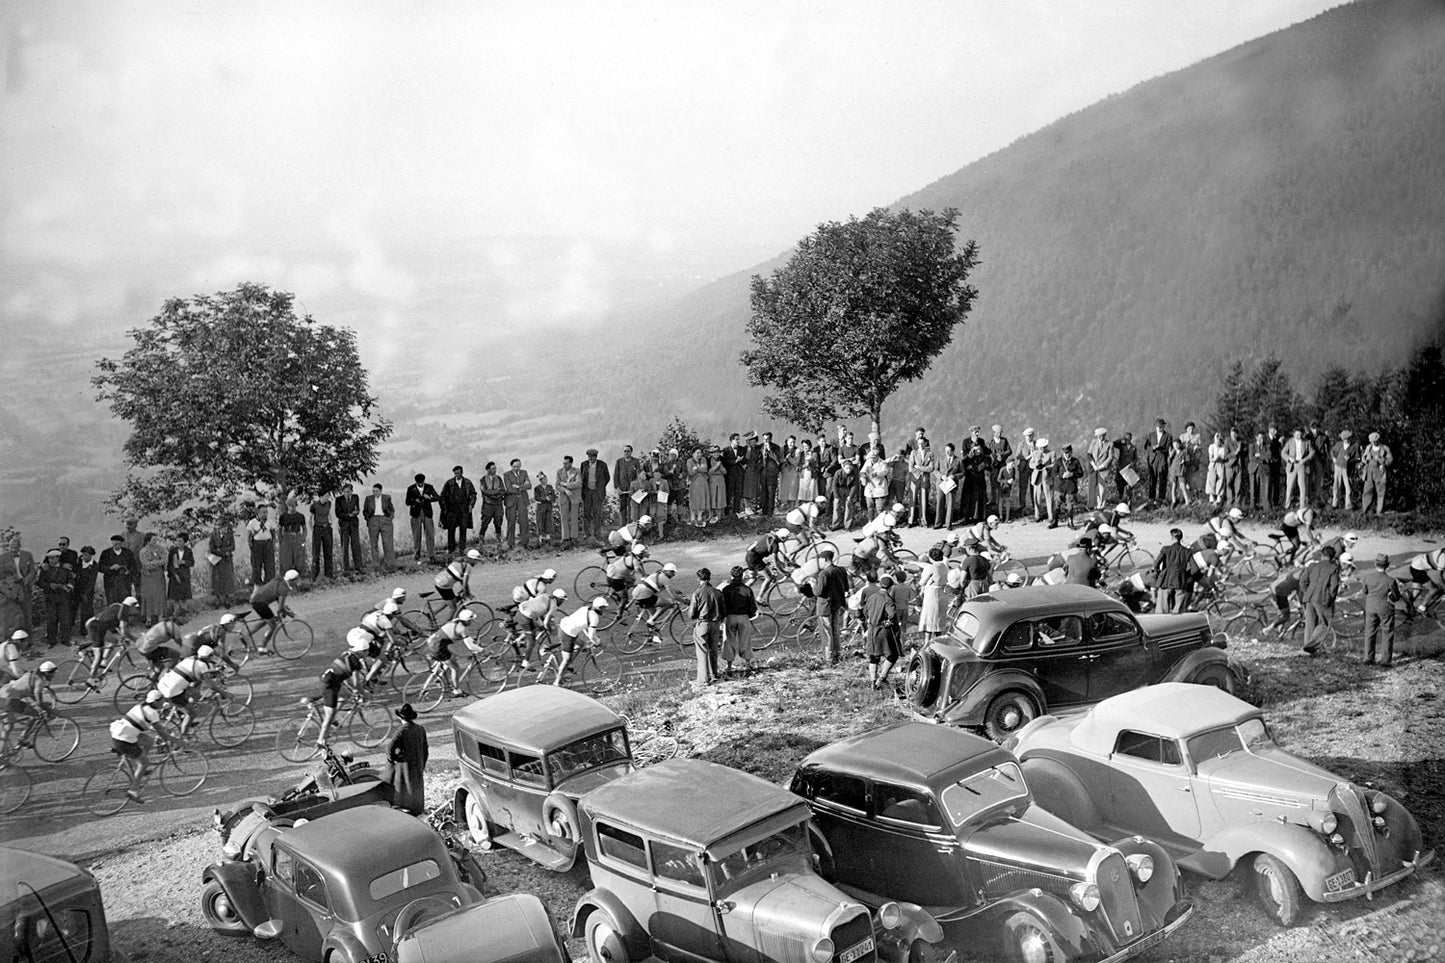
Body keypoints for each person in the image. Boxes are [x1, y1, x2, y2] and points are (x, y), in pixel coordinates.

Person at [108, 689, 169, 804]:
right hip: (124, 740)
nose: (164, 703)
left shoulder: (140, 706)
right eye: (162, 701)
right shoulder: (153, 713)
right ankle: (133, 791)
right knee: (144, 763)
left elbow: (143, 724)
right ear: (155, 702)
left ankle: (138, 768)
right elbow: (161, 733)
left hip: (120, 734)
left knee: (149, 741)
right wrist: (177, 741)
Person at [314, 641, 370, 746]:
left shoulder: (346, 655)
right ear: (362, 651)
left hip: (327, 680)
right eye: (367, 651)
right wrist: (365, 694)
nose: (368, 653)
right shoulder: (356, 663)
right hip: (330, 687)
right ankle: (320, 741)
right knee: (329, 716)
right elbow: (357, 683)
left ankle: (333, 720)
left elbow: (346, 677)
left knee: (345, 696)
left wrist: (353, 690)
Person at [156, 644, 215, 735]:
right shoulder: (202, 665)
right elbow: (210, 684)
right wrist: (225, 693)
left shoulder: (189, 659)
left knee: (194, 693)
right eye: (211, 656)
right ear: (208, 656)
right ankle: (183, 737)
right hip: (171, 692)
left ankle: (182, 716)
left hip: (163, 684)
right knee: (191, 713)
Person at [0, 660, 57, 747]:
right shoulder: (40, 682)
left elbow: (30, 695)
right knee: (36, 715)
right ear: (47, 673)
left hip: (3, 695)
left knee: (9, 727)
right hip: (10, 700)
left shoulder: (31, 674)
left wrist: (40, 706)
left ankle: (3, 751)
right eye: (52, 673)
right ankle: (22, 739)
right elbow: (39, 702)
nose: (54, 675)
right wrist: (51, 711)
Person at [386, 703, 429, 815]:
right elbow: (425, 749)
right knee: (416, 787)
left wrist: (393, 759)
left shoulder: (402, 731)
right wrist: (422, 764)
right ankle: (417, 809)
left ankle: (405, 810)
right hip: (418, 763)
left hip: (405, 766)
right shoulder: (420, 729)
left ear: (400, 717)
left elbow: (389, 748)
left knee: (404, 788)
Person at [1298, 545, 1341, 655]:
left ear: (1322, 555)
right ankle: (1310, 647)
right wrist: (1330, 599)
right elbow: (1334, 587)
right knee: (1325, 623)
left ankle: (1307, 648)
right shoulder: (1334, 568)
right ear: (1333, 557)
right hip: (1323, 598)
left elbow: (1302, 582)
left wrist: (1308, 592)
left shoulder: (1312, 566)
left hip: (1309, 598)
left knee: (1310, 623)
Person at [556, 597, 609, 684]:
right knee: (566, 660)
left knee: (581, 644)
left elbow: (581, 623)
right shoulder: (594, 618)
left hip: (565, 627)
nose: (605, 610)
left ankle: (568, 667)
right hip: (568, 634)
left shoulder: (586, 608)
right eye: (604, 608)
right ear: (600, 608)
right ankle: (557, 682)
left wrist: (590, 637)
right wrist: (599, 643)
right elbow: (592, 636)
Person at [1359, 553, 1399, 667]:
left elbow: (1364, 592)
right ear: (1387, 566)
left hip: (1371, 607)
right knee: (1387, 633)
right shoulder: (1391, 580)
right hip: (1385, 608)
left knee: (1369, 632)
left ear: (1375, 564)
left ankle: (1368, 658)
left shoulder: (1367, 577)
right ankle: (1385, 661)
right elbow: (1396, 597)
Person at [811, 551, 851, 663]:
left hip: (825, 607)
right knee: (835, 631)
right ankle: (838, 654)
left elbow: (818, 592)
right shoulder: (841, 570)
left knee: (826, 633)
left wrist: (813, 584)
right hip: (837, 604)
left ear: (825, 560)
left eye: (820, 559)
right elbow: (846, 588)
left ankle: (829, 658)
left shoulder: (823, 574)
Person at [686, 568, 724, 686]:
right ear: (709, 577)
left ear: (698, 578)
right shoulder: (717, 592)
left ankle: (704, 678)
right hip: (715, 623)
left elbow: (691, 613)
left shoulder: (697, 593)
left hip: (702, 623)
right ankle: (714, 673)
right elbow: (723, 610)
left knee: (702, 651)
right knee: (714, 649)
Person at [424, 609, 473, 699]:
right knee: (455, 668)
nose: (472, 621)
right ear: (467, 620)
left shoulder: (455, 621)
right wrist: (482, 650)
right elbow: (470, 646)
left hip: (433, 642)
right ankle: (457, 691)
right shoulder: (462, 629)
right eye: (471, 620)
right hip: (438, 647)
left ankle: (440, 677)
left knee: (454, 656)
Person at [249, 569, 300, 655]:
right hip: (260, 604)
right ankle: (262, 647)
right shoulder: (284, 588)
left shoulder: (279, 581)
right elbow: (280, 608)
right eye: (296, 580)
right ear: (292, 580)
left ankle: (247, 634)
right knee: (273, 625)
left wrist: (284, 610)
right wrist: (289, 613)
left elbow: (279, 602)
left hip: (255, 600)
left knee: (267, 619)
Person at [720, 566, 757, 677]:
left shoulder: (726, 589)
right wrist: (749, 615)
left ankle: (729, 666)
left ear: (731, 576)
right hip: (744, 617)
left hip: (730, 617)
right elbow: (753, 607)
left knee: (729, 641)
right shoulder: (747, 589)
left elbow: (723, 605)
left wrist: (723, 617)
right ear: (742, 576)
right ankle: (747, 665)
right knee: (745, 641)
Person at [37, 551, 75, 646]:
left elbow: (71, 581)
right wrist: (49, 585)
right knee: (51, 619)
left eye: (53, 558)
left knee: (65, 619)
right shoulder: (45, 569)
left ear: (58, 558)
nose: (50, 560)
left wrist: (65, 587)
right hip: (50, 597)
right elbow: (40, 582)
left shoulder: (65, 568)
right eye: (49, 558)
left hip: (63, 597)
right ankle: (51, 640)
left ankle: (66, 639)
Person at [439, 465, 477, 555]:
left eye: (458, 473)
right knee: (451, 530)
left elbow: (473, 494)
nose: (457, 475)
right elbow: (442, 496)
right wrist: (445, 508)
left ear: (462, 473)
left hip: (464, 510)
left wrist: (471, 505)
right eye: (455, 473)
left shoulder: (467, 482)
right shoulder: (449, 483)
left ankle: (462, 549)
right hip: (452, 510)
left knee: (463, 530)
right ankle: (451, 549)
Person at [1154, 529, 1190, 614]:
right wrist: (1184, 575)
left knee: (1162, 610)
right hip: (1180, 581)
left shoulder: (1165, 549)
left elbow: (1156, 564)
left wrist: (1159, 573)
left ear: (1172, 538)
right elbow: (1193, 567)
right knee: (1178, 610)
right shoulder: (1187, 551)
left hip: (1166, 581)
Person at [405, 473, 440, 561]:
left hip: (427, 513)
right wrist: (415, 500)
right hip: (415, 513)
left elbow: (437, 497)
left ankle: (431, 554)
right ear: (416, 482)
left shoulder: (429, 487)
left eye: (421, 483)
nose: (420, 484)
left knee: (430, 534)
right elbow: (407, 502)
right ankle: (417, 553)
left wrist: (429, 498)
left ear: (424, 481)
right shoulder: (411, 488)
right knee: (416, 534)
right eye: (418, 483)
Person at [136, 533, 168, 625]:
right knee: (149, 596)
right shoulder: (143, 551)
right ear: (148, 541)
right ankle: (148, 618)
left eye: (156, 540)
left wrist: (153, 562)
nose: (155, 542)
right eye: (153, 540)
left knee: (160, 595)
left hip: (159, 576)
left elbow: (165, 560)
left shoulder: (160, 549)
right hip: (148, 576)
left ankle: (160, 616)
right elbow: (146, 564)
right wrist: (158, 563)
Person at [364, 483, 396, 571]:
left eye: (376, 491)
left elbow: (392, 509)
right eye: (373, 491)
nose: (375, 493)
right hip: (373, 520)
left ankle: (390, 564)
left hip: (384, 519)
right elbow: (365, 511)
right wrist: (369, 520)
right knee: (373, 543)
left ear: (381, 491)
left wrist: (389, 519)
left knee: (387, 542)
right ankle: (376, 565)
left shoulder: (387, 498)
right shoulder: (368, 499)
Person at [580, 448, 611, 540]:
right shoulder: (584, 464)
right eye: (589, 456)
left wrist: (600, 487)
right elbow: (581, 477)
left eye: (592, 456)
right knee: (586, 513)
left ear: (596, 456)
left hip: (597, 493)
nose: (590, 458)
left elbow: (607, 478)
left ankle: (597, 533)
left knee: (597, 514)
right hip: (587, 492)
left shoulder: (602, 465)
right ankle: (586, 533)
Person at [917, 547, 948, 639]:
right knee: (939, 619)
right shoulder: (943, 566)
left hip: (932, 594)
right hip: (942, 593)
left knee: (929, 618)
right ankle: (939, 639)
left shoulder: (931, 568)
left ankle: (927, 641)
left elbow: (922, 582)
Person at [1359, 432, 1393, 515]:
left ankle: (1379, 511)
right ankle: (1365, 511)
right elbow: (1363, 458)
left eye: (1375, 441)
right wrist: (1365, 459)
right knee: (1367, 491)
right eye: (1372, 441)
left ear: (1378, 440)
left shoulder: (1385, 448)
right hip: (1369, 472)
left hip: (1380, 472)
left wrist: (1380, 460)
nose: (1374, 442)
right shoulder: (1368, 448)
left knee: (1381, 492)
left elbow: (1390, 461)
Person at [334, 483, 365, 574]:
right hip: (344, 525)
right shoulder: (339, 500)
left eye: (348, 492)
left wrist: (356, 512)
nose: (346, 494)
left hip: (354, 524)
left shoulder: (355, 497)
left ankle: (359, 566)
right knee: (345, 546)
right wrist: (348, 515)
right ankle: (346, 569)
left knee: (356, 545)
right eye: (345, 492)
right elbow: (338, 514)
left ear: (352, 491)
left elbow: (358, 508)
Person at [503, 459, 532, 549]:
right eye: (514, 466)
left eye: (518, 466)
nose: (516, 468)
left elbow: (529, 486)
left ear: (520, 466)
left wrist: (518, 486)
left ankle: (525, 543)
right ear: (511, 466)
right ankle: (510, 544)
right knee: (511, 522)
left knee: (524, 521)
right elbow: (509, 488)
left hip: (522, 500)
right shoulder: (507, 474)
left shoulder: (524, 473)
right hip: (511, 501)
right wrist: (523, 486)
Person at [1406, 548, 1445, 615]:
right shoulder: (1443, 559)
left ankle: (1407, 607)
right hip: (1418, 570)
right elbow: (1440, 577)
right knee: (1434, 589)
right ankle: (1422, 608)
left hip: (1416, 565)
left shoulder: (1443, 551)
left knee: (1417, 591)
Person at [1282, 428, 1313, 510]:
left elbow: (1312, 452)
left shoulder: (1306, 442)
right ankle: (1287, 505)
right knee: (1289, 486)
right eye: (1297, 434)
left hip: (1302, 465)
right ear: (1294, 434)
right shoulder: (1290, 442)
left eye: (1300, 434)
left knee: (1302, 486)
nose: (1299, 436)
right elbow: (1283, 453)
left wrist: (1305, 460)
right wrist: (1289, 459)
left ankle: (1302, 506)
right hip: (1292, 465)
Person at [72, 545, 99, 638]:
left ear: (91, 555)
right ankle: (69, 629)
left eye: (86, 555)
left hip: (87, 591)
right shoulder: (79, 562)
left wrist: (86, 593)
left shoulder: (94, 566)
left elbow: (92, 581)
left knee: (86, 612)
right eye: (83, 555)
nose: (84, 557)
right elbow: (75, 572)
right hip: (77, 590)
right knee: (73, 608)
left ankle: (86, 631)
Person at [555, 457, 582, 547]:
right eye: (563, 463)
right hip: (564, 497)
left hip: (574, 497)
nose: (564, 465)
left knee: (574, 517)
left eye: (566, 463)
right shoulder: (559, 472)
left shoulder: (577, 471)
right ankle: (565, 537)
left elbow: (579, 483)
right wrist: (566, 490)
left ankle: (574, 537)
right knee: (564, 517)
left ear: (571, 463)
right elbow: (557, 485)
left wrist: (566, 484)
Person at [277, 498, 308, 575]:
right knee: (286, 559)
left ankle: (300, 576)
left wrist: (303, 538)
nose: (291, 508)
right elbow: (279, 529)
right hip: (286, 537)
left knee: (299, 558)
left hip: (297, 536)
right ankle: (286, 577)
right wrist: (280, 540)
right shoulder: (283, 517)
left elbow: (304, 528)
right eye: (289, 506)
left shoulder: (300, 516)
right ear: (287, 506)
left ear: (296, 505)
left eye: (293, 506)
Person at [165, 534, 194, 616]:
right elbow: (169, 564)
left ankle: (184, 611)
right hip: (175, 574)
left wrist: (184, 562)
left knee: (184, 595)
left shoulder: (188, 551)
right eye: (177, 541)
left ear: (185, 542)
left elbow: (192, 562)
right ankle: (176, 612)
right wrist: (174, 574)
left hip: (185, 575)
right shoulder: (173, 551)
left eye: (180, 541)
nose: (178, 543)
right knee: (176, 596)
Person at [308, 495, 335, 580]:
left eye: (328, 496)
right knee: (316, 552)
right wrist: (313, 530)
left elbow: (329, 514)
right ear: (321, 496)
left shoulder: (328, 504)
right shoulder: (314, 506)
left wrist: (330, 523)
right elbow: (310, 519)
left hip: (326, 528)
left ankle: (329, 574)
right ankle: (315, 575)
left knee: (328, 551)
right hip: (318, 528)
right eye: (325, 496)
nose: (327, 498)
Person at [533, 471, 557, 544]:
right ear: (540, 480)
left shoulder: (550, 487)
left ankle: (548, 537)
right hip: (541, 507)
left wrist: (551, 498)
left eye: (546, 479)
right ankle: (540, 538)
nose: (545, 480)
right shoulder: (537, 488)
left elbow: (553, 495)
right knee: (540, 522)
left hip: (548, 507)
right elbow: (537, 497)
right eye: (543, 479)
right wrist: (544, 499)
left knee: (548, 522)